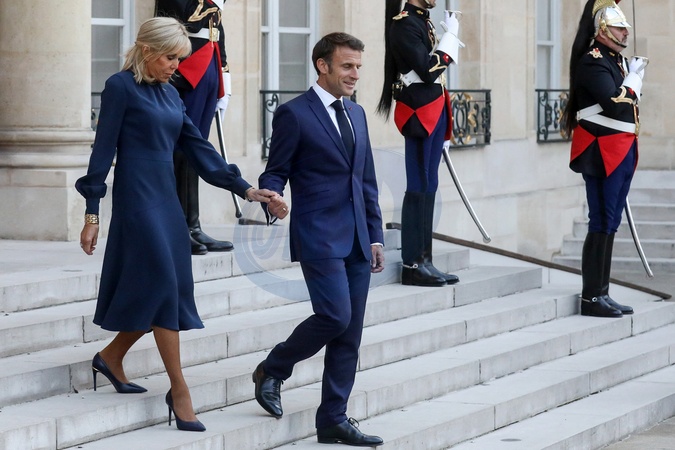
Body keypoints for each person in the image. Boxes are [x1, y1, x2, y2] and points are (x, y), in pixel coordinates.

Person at [75, 17, 276, 432]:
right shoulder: (119, 87)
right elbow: (102, 151)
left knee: (164, 288)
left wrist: (244, 188)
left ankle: (111, 357)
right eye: (170, 57)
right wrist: (92, 214)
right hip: (135, 200)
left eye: (179, 59)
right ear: (147, 50)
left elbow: (198, 148)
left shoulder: (170, 93)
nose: (176, 66)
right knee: (165, 285)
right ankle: (179, 390)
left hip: (166, 201)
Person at [252, 32, 385, 447]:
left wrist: (376, 236)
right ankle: (274, 367)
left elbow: (366, 180)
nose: (355, 74)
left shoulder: (357, 113)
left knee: (350, 334)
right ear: (322, 66)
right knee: (335, 316)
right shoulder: (294, 114)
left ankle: (333, 420)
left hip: (358, 239)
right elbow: (276, 169)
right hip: (319, 235)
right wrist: (272, 196)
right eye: (347, 66)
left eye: (358, 66)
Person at [561, 0, 646, 318]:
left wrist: (630, 78)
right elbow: (613, 104)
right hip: (601, 150)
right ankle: (591, 296)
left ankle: (603, 292)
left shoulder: (615, 61)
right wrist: (633, 82)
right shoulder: (593, 61)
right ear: (602, 29)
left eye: (625, 28)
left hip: (621, 148)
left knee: (611, 223)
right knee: (600, 221)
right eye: (619, 28)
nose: (625, 33)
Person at [377, 0, 462, 287]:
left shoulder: (421, 20)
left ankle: (426, 260)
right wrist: (450, 39)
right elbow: (427, 70)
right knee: (419, 185)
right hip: (419, 112)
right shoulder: (404, 24)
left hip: (433, 109)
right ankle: (413, 264)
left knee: (429, 185)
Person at [155, 0, 234, 255]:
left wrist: (224, 74)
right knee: (180, 149)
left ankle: (193, 225)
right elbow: (188, 19)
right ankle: (177, 226)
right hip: (186, 68)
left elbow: (216, 29)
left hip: (208, 65)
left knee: (195, 150)